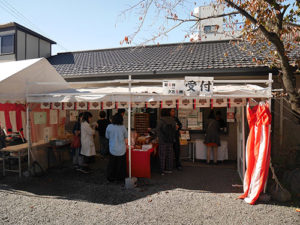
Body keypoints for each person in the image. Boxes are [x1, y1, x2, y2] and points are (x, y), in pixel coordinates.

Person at [105, 113, 128, 182]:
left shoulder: (109, 126)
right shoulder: (123, 127)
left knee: (112, 164)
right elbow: (126, 139)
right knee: (121, 165)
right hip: (121, 149)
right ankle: (120, 178)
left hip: (112, 148)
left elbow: (107, 136)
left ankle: (111, 177)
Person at [156, 108, 176, 175]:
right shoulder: (172, 120)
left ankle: (162, 170)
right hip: (170, 140)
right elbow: (174, 130)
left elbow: (157, 130)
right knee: (169, 155)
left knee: (162, 155)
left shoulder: (160, 120)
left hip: (162, 140)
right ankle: (169, 169)